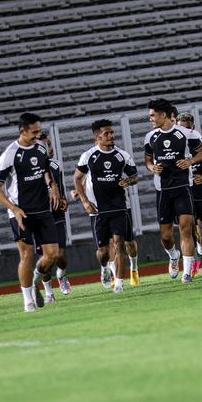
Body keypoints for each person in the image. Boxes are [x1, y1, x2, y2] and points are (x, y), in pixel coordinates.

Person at [0, 112, 62, 312]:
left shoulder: (41, 147)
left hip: (42, 209)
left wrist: (52, 186)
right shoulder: (10, 154)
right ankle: (28, 301)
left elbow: (46, 169)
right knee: (27, 255)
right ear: (22, 131)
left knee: (52, 254)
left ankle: (35, 280)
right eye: (35, 131)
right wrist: (14, 208)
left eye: (40, 131)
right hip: (21, 213)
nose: (39, 135)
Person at [143, 98, 202, 281]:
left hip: (183, 187)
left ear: (163, 115)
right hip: (163, 191)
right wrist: (152, 167)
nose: (151, 119)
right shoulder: (150, 137)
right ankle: (173, 256)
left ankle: (187, 273)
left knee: (186, 229)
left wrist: (190, 161)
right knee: (166, 236)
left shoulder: (186, 134)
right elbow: (147, 160)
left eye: (152, 115)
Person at [74, 119, 138, 293]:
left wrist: (129, 181)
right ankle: (104, 268)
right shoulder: (88, 156)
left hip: (119, 206)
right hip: (97, 210)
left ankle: (118, 282)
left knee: (119, 243)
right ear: (97, 138)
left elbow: (135, 176)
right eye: (106, 134)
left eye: (112, 133)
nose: (111, 136)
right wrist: (85, 201)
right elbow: (77, 179)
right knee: (102, 252)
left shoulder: (122, 155)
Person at [177, 112, 202, 276]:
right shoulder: (172, 145)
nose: (185, 131)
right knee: (188, 229)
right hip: (183, 191)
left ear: (192, 127)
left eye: (188, 127)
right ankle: (192, 262)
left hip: (201, 192)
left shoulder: (199, 143)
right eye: (181, 127)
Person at [35, 129, 71, 302]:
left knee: (61, 256)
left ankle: (62, 275)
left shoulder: (55, 165)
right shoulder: (31, 167)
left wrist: (63, 200)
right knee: (47, 257)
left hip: (56, 216)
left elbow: (60, 188)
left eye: (49, 144)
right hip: (40, 217)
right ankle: (48, 292)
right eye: (46, 145)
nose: (50, 148)